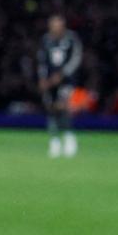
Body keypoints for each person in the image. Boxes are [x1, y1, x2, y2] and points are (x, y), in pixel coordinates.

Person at [35, 14, 83, 158]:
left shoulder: (71, 38)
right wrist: (43, 79)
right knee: (50, 109)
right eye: (53, 26)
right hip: (50, 80)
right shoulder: (45, 40)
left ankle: (69, 138)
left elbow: (76, 58)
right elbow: (41, 61)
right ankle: (54, 141)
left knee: (63, 106)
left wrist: (63, 74)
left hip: (66, 80)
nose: (55, 29)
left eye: (58, 26)